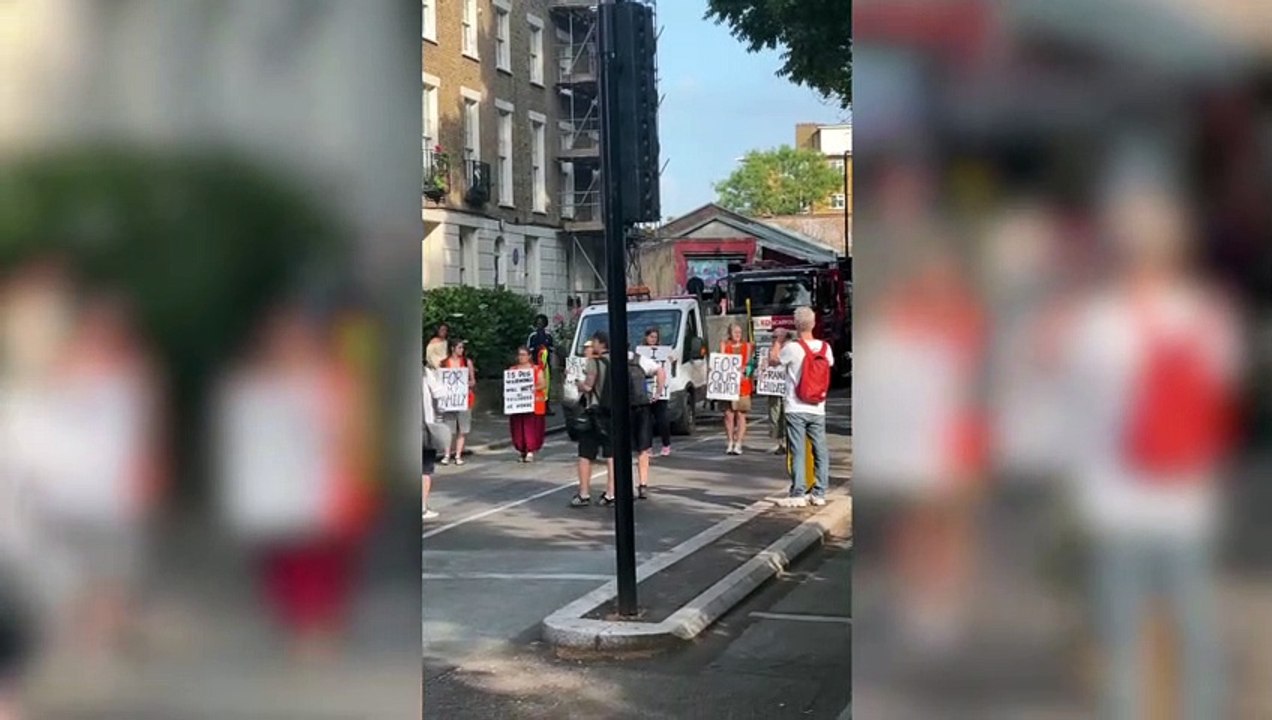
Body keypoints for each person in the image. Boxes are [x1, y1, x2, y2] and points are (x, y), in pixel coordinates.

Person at [767, 306, 833, 506]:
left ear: (796, 325)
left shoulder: (792, 348)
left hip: (796, 406)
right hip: (817, 406)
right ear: (813, 324)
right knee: (820, 449)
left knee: (797, 450)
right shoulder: (825, 348)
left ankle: (799, 492)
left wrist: (778, 340)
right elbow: (828, 365)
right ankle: (820, 492)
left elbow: (773, 362)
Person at [571, 331, 615, 507]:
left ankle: (584, 494)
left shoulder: (594, 363)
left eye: (594, 342)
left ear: (600, 344)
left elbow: (588, 386)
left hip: (594, 412)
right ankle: (611, 493)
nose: (592, 345)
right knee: (611, 454)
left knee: (585, 454)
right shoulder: (618, 361)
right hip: (612, 412)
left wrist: (577, 383)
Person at [628, 344, 664, 499]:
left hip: (624, 409)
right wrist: (657, 393)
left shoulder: (610, 361)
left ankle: (618, 487)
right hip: (641, 408)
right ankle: (643, 484)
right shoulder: (640, 360)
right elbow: (660, 371)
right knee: (643, 449)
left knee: (622, 450)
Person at [508, 346, 548, 463]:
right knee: (518, 427)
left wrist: (531, 388)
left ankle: (530, 450)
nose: (521, 357)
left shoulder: (536, 369)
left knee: (530, 427)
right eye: (520, 355)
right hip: (518, 404)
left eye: (524, 355)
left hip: (532, 403)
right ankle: (521, 450)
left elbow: (542, 384)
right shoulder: (513, 370)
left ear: (529, 356)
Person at [721, 323, 756, 455]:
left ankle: (739, 443)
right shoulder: (725, 345)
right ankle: (730, 441)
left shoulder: (747, 346)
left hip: (742, 385)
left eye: (739, 332)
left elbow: (751, 363)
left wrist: (746, 370)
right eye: (735, 332)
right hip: (728, 385)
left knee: (741, 414)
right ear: (730, 333)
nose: (737, 334)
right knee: (728, 414)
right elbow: (721, 361)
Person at [439, 341, 476, 466]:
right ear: (453, 348)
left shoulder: (466, 362)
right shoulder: (444, 363)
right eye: (459, 347)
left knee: (462, 429)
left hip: (464, 400)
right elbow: (440, 381)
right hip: (450, 401)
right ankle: (446, 454)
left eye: (463, 348)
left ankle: (458, 455)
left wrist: (466, 384)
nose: (462, 350)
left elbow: (473, 381)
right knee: (449, 429)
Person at [421, 364, 450, 520]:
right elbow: (440, 393)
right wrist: (440, 413)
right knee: (424, 470)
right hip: (424, 428)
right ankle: (423, 507)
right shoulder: (424, 372)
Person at [642, 327, 673, 456]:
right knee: (646, 420)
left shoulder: (663, 351)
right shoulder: (641, 352)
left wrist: (671, 360)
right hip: (646, 390)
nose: (653, 339)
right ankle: (647, 446)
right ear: (646, 338)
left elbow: (668, 364)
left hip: (661, 391)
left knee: (662, 420)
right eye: (651, 337)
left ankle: (666, 444)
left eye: (655, 337)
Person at [767, 328, 790, 455]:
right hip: (774, 389)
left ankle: (788, 442)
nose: (773, 339)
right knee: (775, 415)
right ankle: (780, 443)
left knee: (787, 415)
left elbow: (775, 361)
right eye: (773, 337)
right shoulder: (770, 350)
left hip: (787, 389)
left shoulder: (789, 348)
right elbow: (767, 364)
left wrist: (777, 346)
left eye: (776, 337)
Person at [526, 315, 554, 414]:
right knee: (537, 386)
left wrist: (546, 348)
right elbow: (528, 349)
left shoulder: (548, 335)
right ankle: (537, 406)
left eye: (541, 322)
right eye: (538, 323)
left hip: (546, 365)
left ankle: (546, 406)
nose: (540, 324)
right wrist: (536, 349)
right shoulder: (532, 336)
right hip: (535, 364)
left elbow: (552, 348)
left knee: (546, 386)